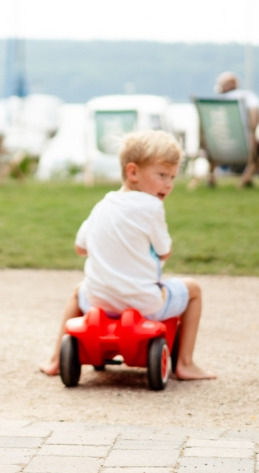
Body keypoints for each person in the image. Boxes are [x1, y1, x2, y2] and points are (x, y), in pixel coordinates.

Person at [40, 130, 214, 380]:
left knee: (79, 290)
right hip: (145, 304)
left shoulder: (103, 205)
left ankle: (56, 359)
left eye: (173, 177)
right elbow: (164, 252)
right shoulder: (153, 207)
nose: (169, 184)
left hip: (98, 301)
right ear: (133, 172)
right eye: (162, 175)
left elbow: (80, 248)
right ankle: (185, 363)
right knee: (193, 290)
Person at [211, 71, 259, 188]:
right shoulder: (247, 96)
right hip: (243, 145)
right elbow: (255, 116)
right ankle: (247, 177)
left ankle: (211, 176)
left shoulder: (216, 101)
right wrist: (253, 134)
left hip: (216, 146)